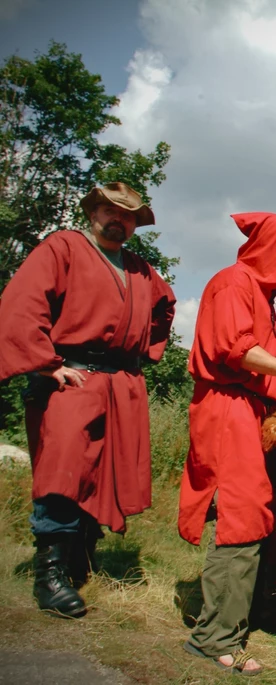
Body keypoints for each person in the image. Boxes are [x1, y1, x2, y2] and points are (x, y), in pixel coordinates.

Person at [0, 182, 175, 618]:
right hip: (71, 380)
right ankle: (51, 573)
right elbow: (22, 303)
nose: (119, 219)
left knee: (102, 473)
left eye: (129, 215)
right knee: (64, 470)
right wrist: (45, 363)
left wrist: (139, 355)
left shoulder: (138, 267)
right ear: (93, 212)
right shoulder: (64, 247)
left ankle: (81, 559)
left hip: (118, 384)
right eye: (110, 210)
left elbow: (163, 307)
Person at [178, 212, 276, 676]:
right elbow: (237, 350)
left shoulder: (259, 296)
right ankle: (213, 638)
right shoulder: (232, 282)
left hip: (246, 410)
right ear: (274, 250)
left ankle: (234, 620)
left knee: (254, 513)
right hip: (227, 409)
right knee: (240, 516)